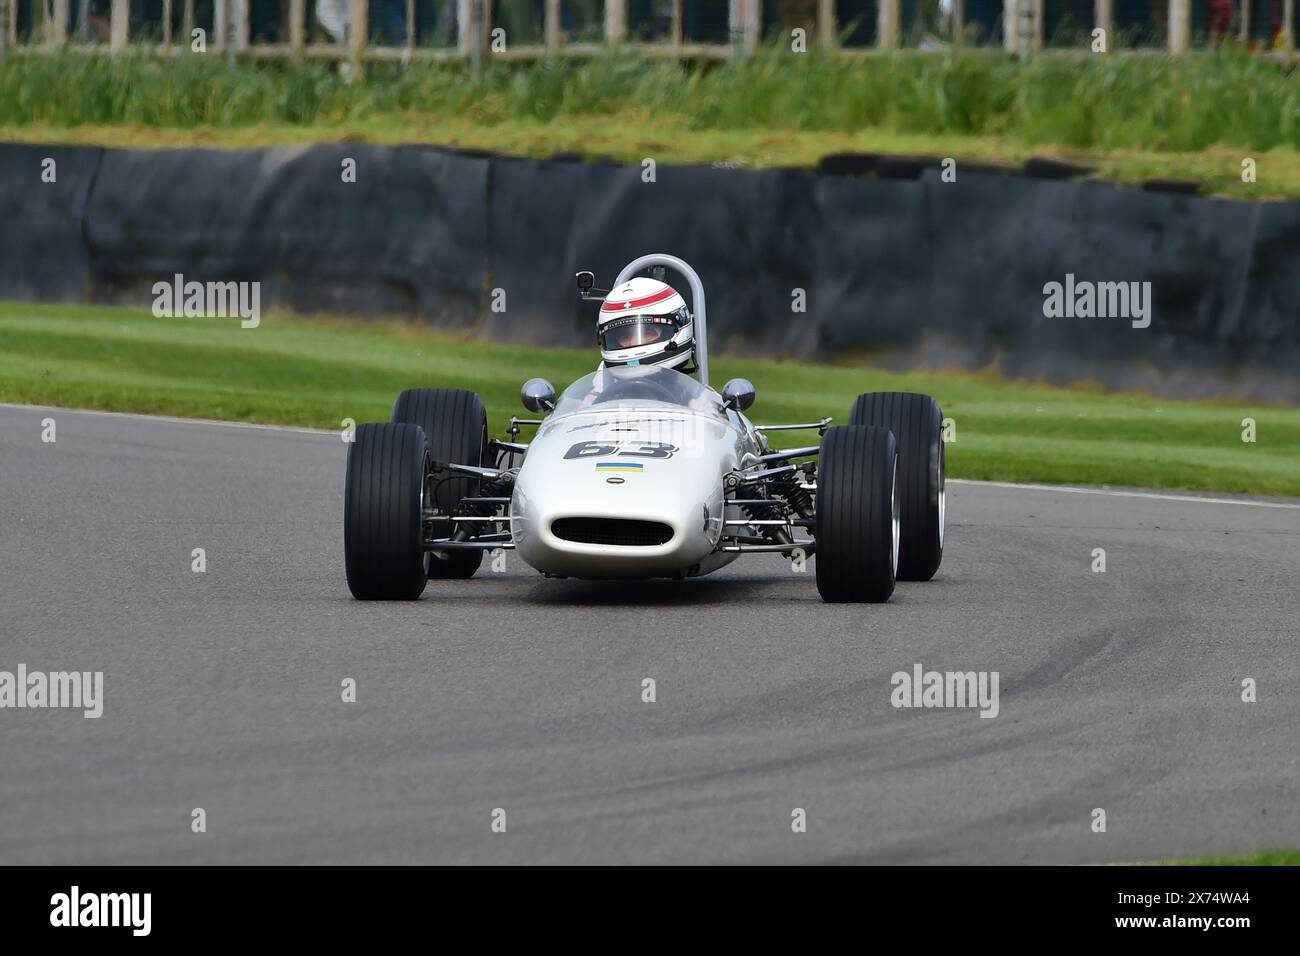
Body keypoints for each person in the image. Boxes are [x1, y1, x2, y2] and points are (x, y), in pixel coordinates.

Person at [596, 278, 696, 374]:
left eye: (646, 333)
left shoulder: (695, 391)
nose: (633, 341)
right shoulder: (598, 388)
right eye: (624, 336)